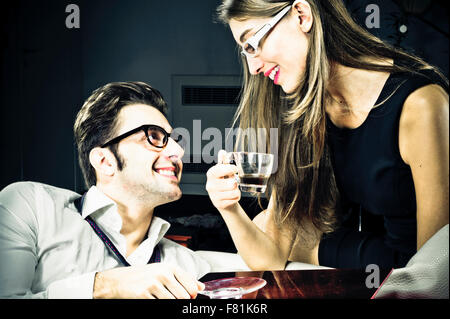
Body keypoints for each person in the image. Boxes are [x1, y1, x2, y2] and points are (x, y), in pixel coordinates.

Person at [206, 0, 449, 270]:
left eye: (252, 43)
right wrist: (228, 208)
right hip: (365, 265)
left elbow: (437, 267)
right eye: (244, 53)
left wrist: (304, 246)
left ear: (301, 15)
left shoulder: (421, 105)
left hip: (413, 272)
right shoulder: (306, 108)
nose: (253, 68)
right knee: (266, 222)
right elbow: (271, 257)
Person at [0, 81, 210, 298]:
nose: (178, 150)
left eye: (174, 140)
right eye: (154, 137)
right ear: (105, 161)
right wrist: (103, 286)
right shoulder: (30, 207)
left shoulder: (189, 267)